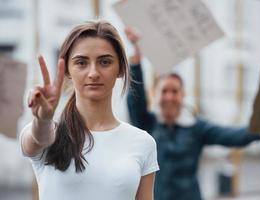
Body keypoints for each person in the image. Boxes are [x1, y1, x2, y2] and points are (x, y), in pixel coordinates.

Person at [125, 27, 260, 200]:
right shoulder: (146, 123)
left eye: (175, 91)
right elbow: (135, 99)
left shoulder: (196, 127)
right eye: (164, 91)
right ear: (156, 95)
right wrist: (136, 55)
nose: (169, 97)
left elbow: (232, 136)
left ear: (182, 96)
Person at [20, 20, 159, 200]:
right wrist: (43, 120)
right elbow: (38, 138)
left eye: (104, 62)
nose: (93, 73)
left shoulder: (143, 142)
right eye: (81, 63)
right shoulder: (48, 133)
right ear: (68, 70)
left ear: (120, 69)